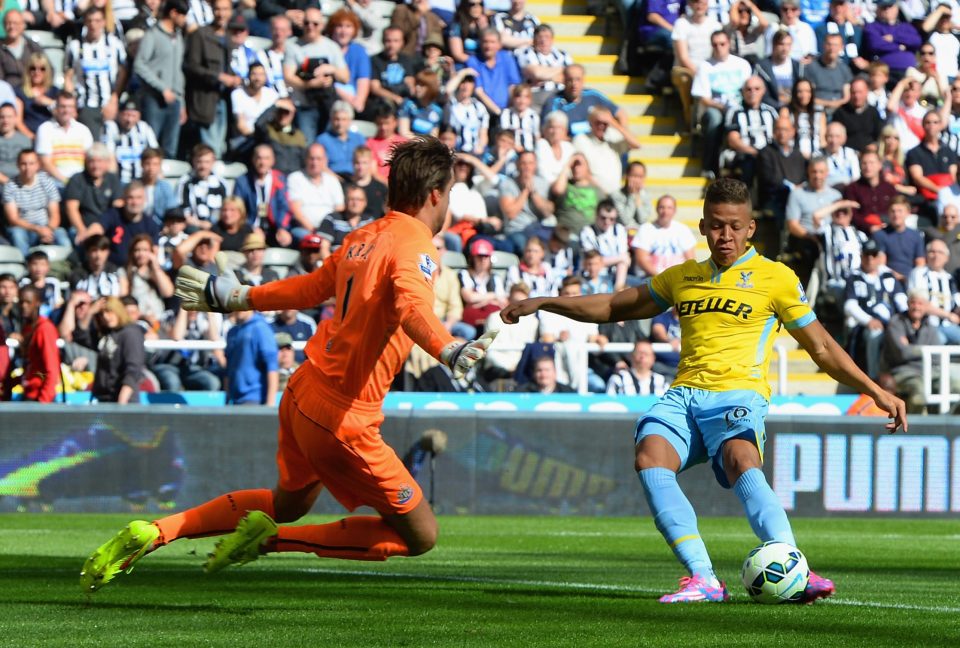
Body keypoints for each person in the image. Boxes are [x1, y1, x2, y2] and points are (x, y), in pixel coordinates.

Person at [80, 137, 498, 592]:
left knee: (288, 502)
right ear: (436, 194)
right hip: (343, 418)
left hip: (302, 392)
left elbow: (311, 286)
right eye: (451, 194)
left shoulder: (363, 237)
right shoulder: (417, 246)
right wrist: (446, 347)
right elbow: (412, 305)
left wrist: (237, 296)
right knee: (421, 534)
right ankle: (270, 542)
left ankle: (159, 531)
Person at [500, 177, 906, 604]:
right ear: (702, 226)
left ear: (751, 228)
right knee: (649, 457)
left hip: (737, 394)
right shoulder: (683, 277)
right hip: (684, 395)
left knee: (740, 458)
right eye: (716, 225)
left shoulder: (776, 278)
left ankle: (795, 566)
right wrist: (544, 302)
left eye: (734, 226)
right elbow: (613, 306)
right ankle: (704, 578)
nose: (725, 235)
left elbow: (821, 347)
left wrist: (875, 390)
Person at [883, 288, 960, 413]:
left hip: (930, 371)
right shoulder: (896, 322)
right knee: (919, 392)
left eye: (920, 303)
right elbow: (902, 353)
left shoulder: (930, 326)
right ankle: (913, 429)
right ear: (908, 304)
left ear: (926, 306)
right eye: (913, 302)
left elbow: (937, 356)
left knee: (955, 387)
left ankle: (940, 428)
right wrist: (925, 351)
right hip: (904, 372)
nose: (916, 307)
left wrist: (912, 348)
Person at [692, 30, 752, 178]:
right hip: (715, 108)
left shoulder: (741, 64)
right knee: (715, 120)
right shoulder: (705, 66)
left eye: (722, 44)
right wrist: (724, 108)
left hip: (740, 108)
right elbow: (704, 99)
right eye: (715, 44)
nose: (719, 47)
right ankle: (709, 167)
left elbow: (750, 89)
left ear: (729, 44)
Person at [843, 239, 907, 378]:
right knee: (874, 335)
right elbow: (850, 305)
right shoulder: (854, 277)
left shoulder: (888, 276)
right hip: (864, 325)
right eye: (866, 254)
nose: (870, 258)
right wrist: (868, 321)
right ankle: (874, 377)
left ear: (879, 257)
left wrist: (905, 319)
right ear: (861, 256)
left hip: (890, 322)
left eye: (873, 254)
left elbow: (901, 299)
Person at [133, 0, 188, 159]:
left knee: (170, 149)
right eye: (183, 15)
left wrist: (181, 101)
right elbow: (140, 64)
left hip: (175, 100)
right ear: (173, 13)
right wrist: (161, 88)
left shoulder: (178, 36)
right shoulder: (152, 35)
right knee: (152, 146)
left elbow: (178, 71)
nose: (185, 20)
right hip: (154, 99)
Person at [63, 5, 127, 138]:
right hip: (86, 105)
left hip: (110, 102)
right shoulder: (75, 46)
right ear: (85, 22)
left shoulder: (114, 44)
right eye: (90, 21)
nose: (93, 25)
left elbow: (123, 72)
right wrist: (72, 104)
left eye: (97, 21)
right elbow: (68, 77)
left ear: (104, 22)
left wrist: (114, 99)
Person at [2, 149, 70, 255]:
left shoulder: (46, 181)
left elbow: (55, 214)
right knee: (17, 234)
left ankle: (69, 266)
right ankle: (25, 265)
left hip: (46, 226)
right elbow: (13, 219)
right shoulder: (10, 186)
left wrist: (48, 229)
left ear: (38, 165)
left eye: (31, 163)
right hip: (24, 228)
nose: (28, 168)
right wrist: (37, 229)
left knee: (62, 235)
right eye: (24, 164)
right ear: (18, 165)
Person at [63, 143, 125, 246]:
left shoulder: (113, 179)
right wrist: (82, 230)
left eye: (99, 161)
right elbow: (71, 208)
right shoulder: (77, 179)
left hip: (107, 226)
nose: (95, 166)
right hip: (82, 227)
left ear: (106, 163)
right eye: (92, 161)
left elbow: (118, 205)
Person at [92, 296, 146, 404]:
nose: (106, 317)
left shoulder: (131, 333)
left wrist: (122, 400)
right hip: (104, 399)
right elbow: (80, 335)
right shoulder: (106, 334)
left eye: (109, 311)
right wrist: (91, 311)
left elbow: (133, 369)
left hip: (124, 400)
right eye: (101, 314)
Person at [34, 91, 95, 187]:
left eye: (70, 106)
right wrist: (67, 182)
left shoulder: (83, 130)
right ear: (56, 108)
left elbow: (90, 159)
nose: (66, 110)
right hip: (53, 183)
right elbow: (45, 163)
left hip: (80, 183)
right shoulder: (45, 129)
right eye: (63, 106)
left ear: (75, 109)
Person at [14, 283, 60, 402]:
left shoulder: (45, 329)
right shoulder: (27, 328)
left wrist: (43, 403)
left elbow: (52, 370)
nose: (24, 306)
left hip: (39, 396)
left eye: (28, 302)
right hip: (29, 392)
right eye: (21, 302)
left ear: (38, 303)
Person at [631, 195, 696, 279]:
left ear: (674, 210)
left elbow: (690, 260)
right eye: (662, 207)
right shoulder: (645, 229)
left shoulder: (683, 230)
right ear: (657, 209)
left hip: (678, 279)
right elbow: (642, 260)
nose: (665, 211)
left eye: (669, 208)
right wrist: (662, 278)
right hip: (651, 278)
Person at [908, 238, 960, 344]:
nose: (936, 256)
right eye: (932, 252)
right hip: (927, 325)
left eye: (940, 252)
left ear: (947, 258)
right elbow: (920, 304)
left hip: (949, 326)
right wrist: (948, 315)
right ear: (926, 255)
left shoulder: (950, 278)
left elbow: (957, 303)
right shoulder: (918, 273)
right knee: (939, 341)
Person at [102, 100, 159, 186]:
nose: (129, 119)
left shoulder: (144, 128)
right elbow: (109, 156)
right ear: (119, 114)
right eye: (126, 115)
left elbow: (155, 153)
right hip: (120, 180)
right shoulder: (110, 127)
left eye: (133, 116)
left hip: (142, 180)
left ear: (139, 116)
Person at [872, 196, 926, 283]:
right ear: (888, 213)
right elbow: (880, 264)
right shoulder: (880, 234)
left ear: (908, 213)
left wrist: (911, 279)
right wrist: (898, 277)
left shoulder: (916, 235)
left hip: (911, 280)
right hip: (888, 280)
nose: (896, 215)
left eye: (900, 211)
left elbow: (920, 263)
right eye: (893, 211)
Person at [843, 150, 897, 234]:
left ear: (880, 165)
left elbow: (896, 209)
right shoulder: (852, 188)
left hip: (889, 230)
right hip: (863, 232)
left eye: (871, 163)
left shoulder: (889, 188)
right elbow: (852, 215)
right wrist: (870, 227)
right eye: (864, 163)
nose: (868, 167)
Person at [830, 77, 883, 153]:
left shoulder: (873, 112)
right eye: (854, 92)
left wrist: (875, 145)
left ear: (866, 92)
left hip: (869, 154)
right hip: (847, 154)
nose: (857, 96)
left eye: (860, 92)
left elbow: (879, 134)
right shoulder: (840, 112)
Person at [316, 101, 367, 179]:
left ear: (350, 121)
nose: (340, 124)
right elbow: (321, 166)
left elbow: (367, 161)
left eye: (344, 120)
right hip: (332, 179)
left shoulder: (359, 138)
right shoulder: (322, 140)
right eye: (337, 119)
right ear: (331, 120)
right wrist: (339, 180)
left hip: (356, 178)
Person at [611, 161, 651, 230]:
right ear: (626, 176)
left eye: (640, 177)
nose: (637, 180)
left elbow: (642, 220)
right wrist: (632, 195)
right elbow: (625, 220)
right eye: (634, 176)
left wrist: (638, 202)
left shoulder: (646, 195)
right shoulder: (616, 195)